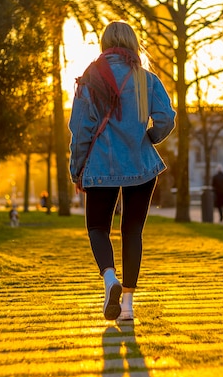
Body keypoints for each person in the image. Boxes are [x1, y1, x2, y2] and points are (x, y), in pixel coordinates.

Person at [68, 21, 176, 322]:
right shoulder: (146, 79)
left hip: (101, 167)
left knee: (97, 228)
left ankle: (109, 279)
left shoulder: (90, 79)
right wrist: (149, 139)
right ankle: (127, 306)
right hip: (141, 167)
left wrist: (77, 169)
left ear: (105, 44)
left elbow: (79, 130)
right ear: (133, 44)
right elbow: (166, 119)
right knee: (132, 232)